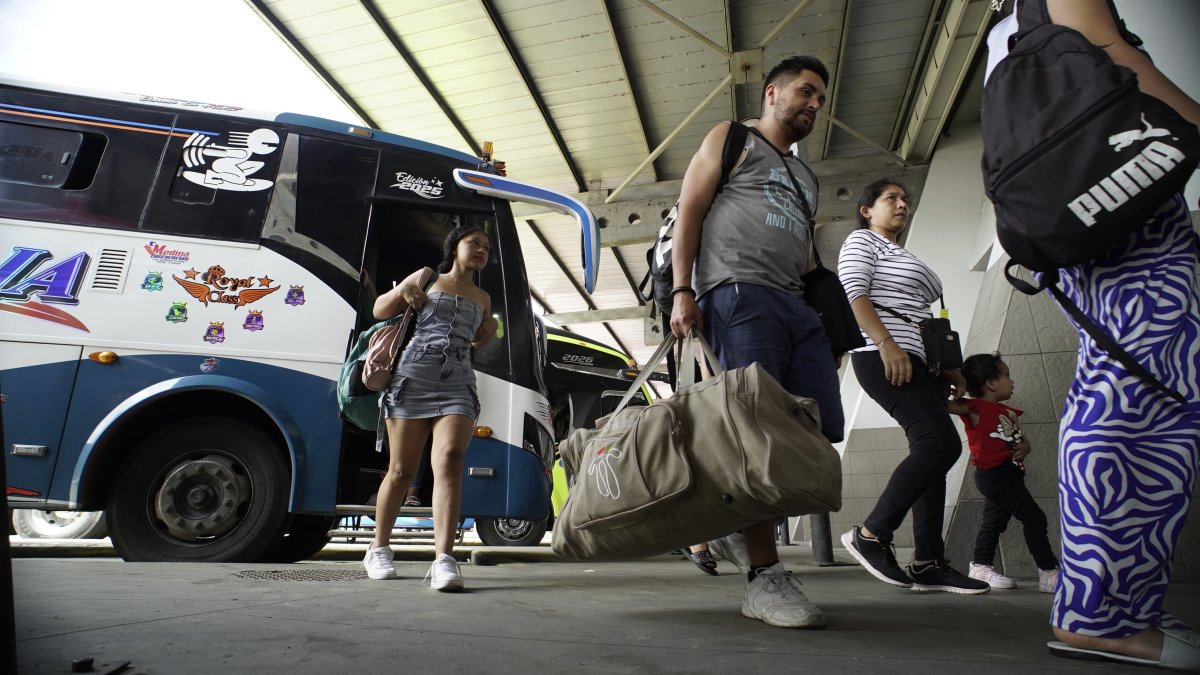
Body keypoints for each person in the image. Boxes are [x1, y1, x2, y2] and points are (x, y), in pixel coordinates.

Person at [987, 0, 1200, 667]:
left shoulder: (1007, 26)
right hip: (1127, 200)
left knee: (1131, 383)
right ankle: (1101, 613)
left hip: (1092, 203)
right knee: (1142, 392)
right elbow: (1119, 62)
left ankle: (1116, 604)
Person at [669, 55, 845, 628]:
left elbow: (807, 252)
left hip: (796, 306)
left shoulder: (807, 178)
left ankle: (728, 523)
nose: (814, 104)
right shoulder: (731, 138)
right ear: (772, 92)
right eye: (805, 91)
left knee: (815, 430)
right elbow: (690, 210)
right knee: (753, 434)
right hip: (737, 293)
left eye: (821, 98)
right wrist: (681, 292)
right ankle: (764, 578)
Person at [836, 179, 989, 595]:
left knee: (933, 454)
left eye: (905, 200)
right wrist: (887, 345)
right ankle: (871, 535)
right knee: (940, 445)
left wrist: (949, 369)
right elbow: (854, 295)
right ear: (867, 209)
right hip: (882, 354)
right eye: (891, 199)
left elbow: (928, 318)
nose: (902, 204)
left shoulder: (901, 253)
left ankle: (928, 561)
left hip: (919, 359)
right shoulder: (861, 242)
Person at [362, 224, 497, 591]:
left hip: (458, 381)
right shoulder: (426, 276)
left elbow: (484, 337)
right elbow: (378, 311)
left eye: (486, 246)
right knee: (402, 471)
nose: (482, 250)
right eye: (475, 243)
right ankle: (378, 548)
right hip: (413, 375)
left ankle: (444, 559)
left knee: (450, 456)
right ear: (455, 247)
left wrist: (493, 326)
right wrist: (404, 290)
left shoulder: (483, 297)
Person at [946, 353, 1059, 592]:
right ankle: (1048, 571)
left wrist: (1026, 445)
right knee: (1034, 517)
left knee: (994, 521)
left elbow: (1016, 438)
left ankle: (980, 566)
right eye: (1007, 375)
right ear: (991, 383)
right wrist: (951, 378)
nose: (1012, 381)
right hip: (994, 474)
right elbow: (944, 403)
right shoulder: (974, 408)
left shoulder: (1006, 412)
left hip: (1009, 474)